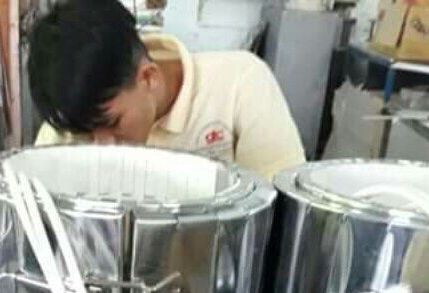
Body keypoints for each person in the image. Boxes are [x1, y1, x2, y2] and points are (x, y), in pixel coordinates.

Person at [27, 0, 305, 180]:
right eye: (87, 134)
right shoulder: (71, 113)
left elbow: (280, 199)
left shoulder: (241, 83)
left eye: (113, 123)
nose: (104, 145)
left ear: (148, 78)